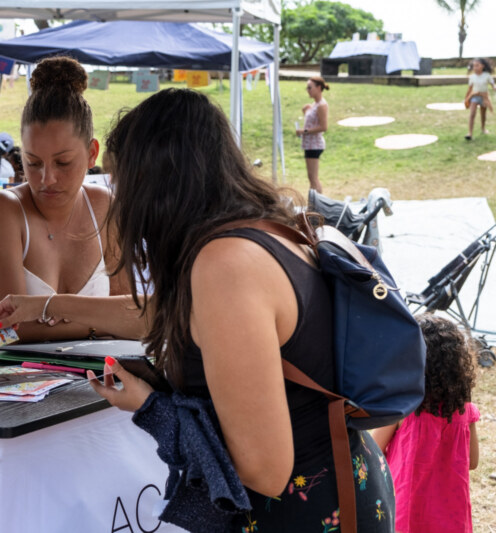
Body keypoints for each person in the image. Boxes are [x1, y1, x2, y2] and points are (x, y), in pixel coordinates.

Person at [77, 88, 393, 531]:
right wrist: (51, 308)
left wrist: (151, 404)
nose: (119, 199)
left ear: (157, 183)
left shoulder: (224, 266)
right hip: (343, 482)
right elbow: (176, 316)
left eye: (119, 180)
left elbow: (264, 469)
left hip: (303, 512)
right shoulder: (264, 230)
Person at [0, 56, 145, 342]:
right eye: (33, 162)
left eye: (63, 162)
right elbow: (10, 330)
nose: (47, 178)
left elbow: (132, 313)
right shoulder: (0, 210)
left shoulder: (105, 208)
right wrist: (104, 322)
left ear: (92, 153)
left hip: (94, 382)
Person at [371, 314, 478, 533]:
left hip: (405, 513)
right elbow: (472, 461)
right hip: (451, 516)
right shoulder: (464, 410)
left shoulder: (403, 406)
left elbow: (373, 451)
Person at [296, 76, 329, 193]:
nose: (308, 90)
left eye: (310, 87)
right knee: (311, 177)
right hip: (309, 144)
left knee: (313, 178)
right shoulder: (314, 104)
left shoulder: (321, 105)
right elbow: (312, 121)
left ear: (318, 88)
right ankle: (315, 204)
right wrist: (306, 111)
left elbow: (323, 127)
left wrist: (303, 131)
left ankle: (317, 204)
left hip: (314, 145)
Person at [463, 58, 495, 141]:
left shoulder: (487, 75)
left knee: (483, 114)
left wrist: (494, 88)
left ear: (483, 66)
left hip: (484, 97)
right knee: (472, 114)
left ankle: (483, 128)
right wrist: (466, 99)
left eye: (477, 65)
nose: (475, 67)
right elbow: (470, 89)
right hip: (475, 96)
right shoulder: (472, 77)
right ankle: (469, 133)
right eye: (474, 66)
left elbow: (493, 85)